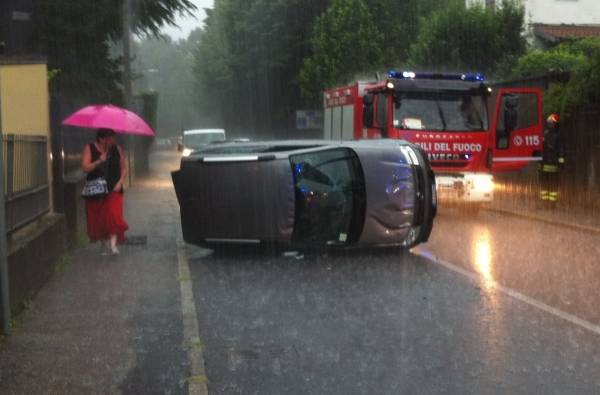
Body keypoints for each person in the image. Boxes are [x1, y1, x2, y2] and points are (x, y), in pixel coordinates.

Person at [81, 128, 129, 255]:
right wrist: (99, 161)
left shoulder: (116, 149)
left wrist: (120, 182)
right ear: (102, 139)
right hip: (97, 191)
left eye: (114, 138)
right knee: (100, 219)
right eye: (111, 138)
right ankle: (104, 244)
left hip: (114, 189)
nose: (114, 140)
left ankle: (113, 246)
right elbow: (85, 167)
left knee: (114, 216)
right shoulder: (90, 147)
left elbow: (124, 168)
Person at [539, 113, 565, 205]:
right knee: (552, 184)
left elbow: (541, 149)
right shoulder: (558, 136)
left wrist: (540, 162)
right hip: (553, 165)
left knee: (545, 184)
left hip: (545, 165)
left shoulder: (544, 135)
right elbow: (561, 151)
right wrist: (561, 163)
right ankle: (551, 203)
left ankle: (545, 202)